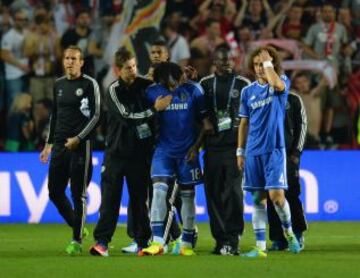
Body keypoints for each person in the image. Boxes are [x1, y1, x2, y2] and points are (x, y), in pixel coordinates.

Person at [89, 48, 172, 257]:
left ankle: (142, 242)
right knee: (110, 200)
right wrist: (154, 109)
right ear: (118, 70)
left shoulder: (145, 84)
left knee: (138, 201)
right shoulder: (113, 90)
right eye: (128, 68)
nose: (133, 71)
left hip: (139, 154)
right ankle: (102, 243)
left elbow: (166, 88)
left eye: (134, 66)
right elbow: (127, 117)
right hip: (116, 154)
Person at [142, 62, 212, 256]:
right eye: (171, 81)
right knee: (158, 193)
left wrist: (195, 148)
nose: (175, 84)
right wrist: (155, 109)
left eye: (178, 78)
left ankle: (187, 243)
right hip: (163, 151)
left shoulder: (194, 90)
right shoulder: (151, 92)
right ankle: (157, 242)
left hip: (187, 153)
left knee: (188, 197)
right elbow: (142, 120)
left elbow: (206, 125)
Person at [237, 46, 301, 258]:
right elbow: (244, 123)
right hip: (253, 152)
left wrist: (268, 63)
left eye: (263, 63)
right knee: (258, 199)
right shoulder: (247, 92)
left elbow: (275, 82)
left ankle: (289, 232)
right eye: (256, 64)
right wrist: (240, 151)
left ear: (272, 64)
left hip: (274, 150)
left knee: (277, 197)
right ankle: (260, 247)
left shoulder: (279, 82)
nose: (259, 68)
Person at [121, 40, 183, 254]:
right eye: (152, 51)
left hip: (166, 146)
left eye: (159, 52)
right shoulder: (145, 80)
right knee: (139, 194)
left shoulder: (174, 79)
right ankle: (141, 238)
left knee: (163, 195)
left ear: (167, 55)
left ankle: (174, 236)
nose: (155, 55)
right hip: (143, 145)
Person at [39, 45, 101, 255]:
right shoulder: (58, 85)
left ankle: (76, 241)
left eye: (74, 58)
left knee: (78, 194)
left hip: (80, 146)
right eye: (67, 58)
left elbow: (97, 116)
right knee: (55, 192)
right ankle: (79, 226)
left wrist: (79, 138)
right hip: (58, 145)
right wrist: (48, 145)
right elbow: (55, 116)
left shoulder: (90, 84)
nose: (70, 62)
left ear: (81, 62)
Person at [199, 46, 250, 255]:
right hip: (211, 148)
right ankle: (220, 240)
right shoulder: (204, 84)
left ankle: (233, 238)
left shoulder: (243, 85)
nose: (227, 62)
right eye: (222, 59)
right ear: (214, 61)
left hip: (234, 148)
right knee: (213, 195)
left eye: (230, 59)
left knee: (234, 194)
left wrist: (244, 148)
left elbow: (250, 118)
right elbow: (196, 111)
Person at [267, 89, 308, 251]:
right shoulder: (261, 97)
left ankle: (298, 233)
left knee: (291, 194)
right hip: (268, 155)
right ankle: (278, 239)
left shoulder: (293, 98)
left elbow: (302, 124)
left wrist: (296, 152)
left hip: (288, 155)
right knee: (272, 197)